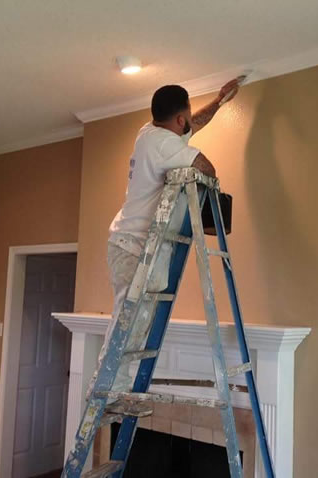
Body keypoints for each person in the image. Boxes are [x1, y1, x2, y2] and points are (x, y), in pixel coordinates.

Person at [86, 78, 241, 397]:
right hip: (133, 245)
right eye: (185, 118)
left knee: (135, 320)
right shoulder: (163, 144)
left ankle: (115, 388)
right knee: (129, 321)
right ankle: (105, 391)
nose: (188, 125)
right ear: (178, 119)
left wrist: (220, 101)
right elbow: (206, 168)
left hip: (130, 242)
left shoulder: (150, 132)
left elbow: (191, 124)